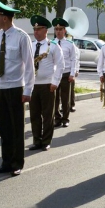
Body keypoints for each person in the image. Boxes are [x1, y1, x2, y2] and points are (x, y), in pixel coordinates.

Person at [0, 0, 35, 176]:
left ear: (5, 18)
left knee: (16, 127)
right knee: (4, 127)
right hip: (0, 87)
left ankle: (17, 163)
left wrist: (28, 90)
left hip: (16, 87)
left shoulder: (22, 37)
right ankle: (6, 161)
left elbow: (29, 65)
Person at [29, 15, 64, 151]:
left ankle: (46, 141)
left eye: (39, 29)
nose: (36, 32)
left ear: (45, 30)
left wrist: (55, 82)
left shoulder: (53, 46)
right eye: (34, 29)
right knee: (34, 114)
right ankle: (36, 140)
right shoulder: (30, 45)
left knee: (48, 114)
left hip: (47, 84)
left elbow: (60, 65)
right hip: (32, 85)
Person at [52, 17, 76, 128]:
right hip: (55, 75)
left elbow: (73, 59)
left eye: (60, 29)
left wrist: (72, 73)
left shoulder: (70, 44)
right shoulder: (51, 44)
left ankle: (65, 118)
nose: (58, 31)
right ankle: (57, 118)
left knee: (66, 98)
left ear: (64, 30)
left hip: (66, 74)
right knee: (55, 99)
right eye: (56, 29)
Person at [69, 39, 80, 112]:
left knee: (71, 89)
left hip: (70, 71)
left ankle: (72, 105)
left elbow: (77, 60)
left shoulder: (74, 47)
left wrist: (76, 70)